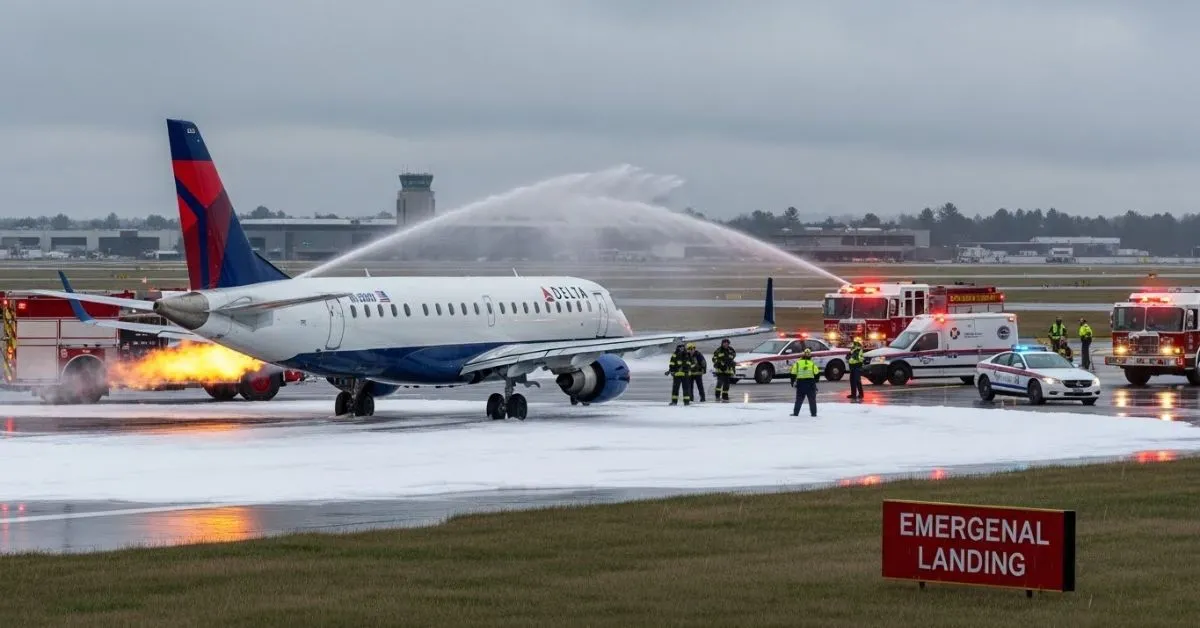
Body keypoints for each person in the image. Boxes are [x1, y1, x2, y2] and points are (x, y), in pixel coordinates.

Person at [789, 348, 819, 417]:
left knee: (799, 399)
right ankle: (813, 414)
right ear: (810, 356)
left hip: (801, 383)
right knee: (812, 400)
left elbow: (793, 373)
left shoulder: (798, 363)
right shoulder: (812, 364)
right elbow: (817, 373)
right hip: (810, 384)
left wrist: (792, 382)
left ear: (802, 355)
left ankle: (796, 413)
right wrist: (815, 381)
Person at [711, 338, 736, 402]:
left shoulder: (731, 350)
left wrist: (732, 366)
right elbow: (714, 359)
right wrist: (720, 364)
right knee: (719, 384)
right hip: (720, 370)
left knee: (726, 385)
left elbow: (733, 356)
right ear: (722, 344)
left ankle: (725, 396)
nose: (726, 344)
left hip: (728, 370)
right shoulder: (718, 350)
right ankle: (717, 396)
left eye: (727, 343)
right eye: (724, 343)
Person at [846, 337, 864, 402]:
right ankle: (853, 394)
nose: (854, 344)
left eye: (855, 343)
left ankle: (861, 394)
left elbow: (860, 358)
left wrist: (855, 357)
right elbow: (848, 356)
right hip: (852, 366)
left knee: (857, 380)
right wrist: (849, 357)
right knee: (852, 381)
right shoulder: (853, 349)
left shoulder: (859, 350)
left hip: (857, 366)